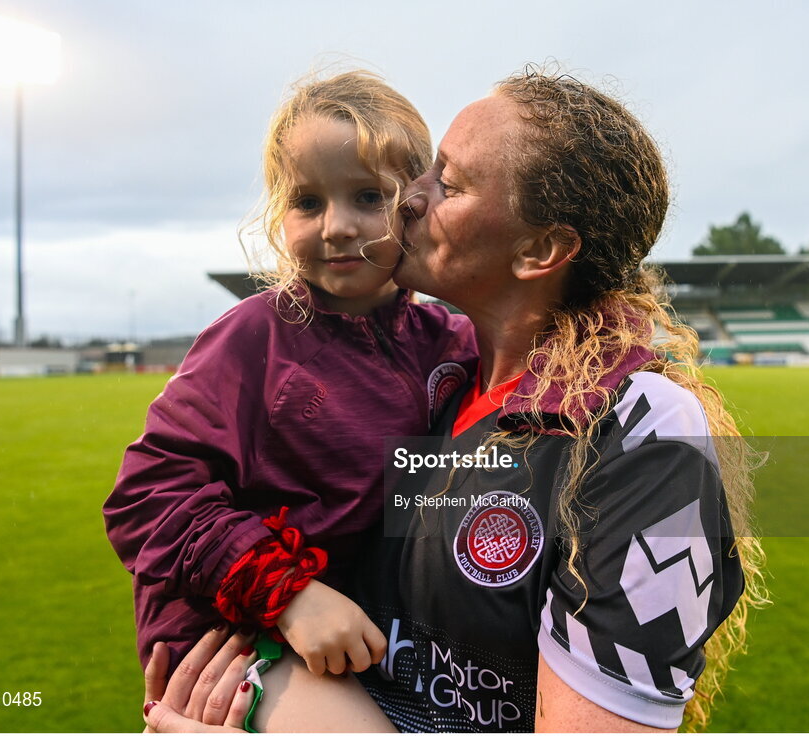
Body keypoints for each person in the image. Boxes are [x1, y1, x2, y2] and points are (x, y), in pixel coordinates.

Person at [144, 66, 766, 733]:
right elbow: (162, 495)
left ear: (539, 250)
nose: (409, 197)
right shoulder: (438, 377)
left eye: (449, 182)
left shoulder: (640, 429)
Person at [103, 70, 478, 687]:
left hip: (367, 636)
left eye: (367, 197)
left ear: (414, 204)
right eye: (307, 202)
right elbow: (148, 496)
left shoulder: (449, 342)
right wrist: (289, 594)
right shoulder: (256, 338)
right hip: (235, 644)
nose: (335, 226)